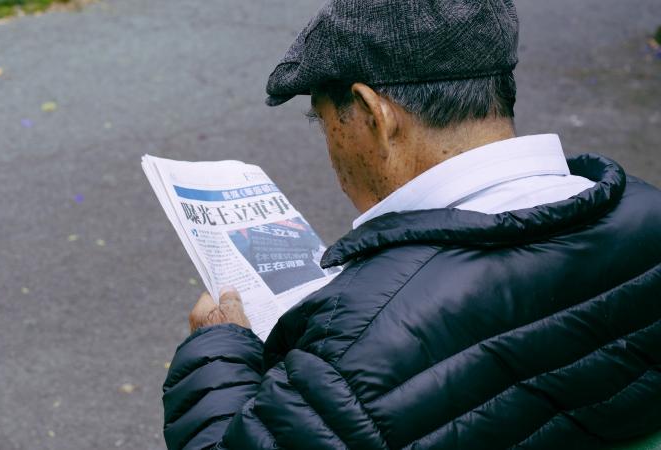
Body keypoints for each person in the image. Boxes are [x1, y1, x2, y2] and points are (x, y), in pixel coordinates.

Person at [161, 0, 661, 448]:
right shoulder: (646, 214)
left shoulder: (357, 346)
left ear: (375, 114)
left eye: (324, 120)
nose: (331, 149)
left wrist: (219, 348)